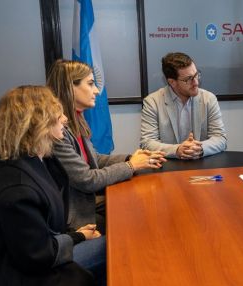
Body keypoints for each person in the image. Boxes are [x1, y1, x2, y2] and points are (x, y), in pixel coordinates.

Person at [0, 86, 101, 286]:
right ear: (37, 124)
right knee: (111, 250)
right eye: (58, 115)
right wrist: (78, 236)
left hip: (40, 259)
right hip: (26, 282)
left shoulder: (36, 160)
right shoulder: (17, 187)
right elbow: (37, 256)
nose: (65, 118)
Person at [47, 59, 167, 233]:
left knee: (143, 204)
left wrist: (131, 158)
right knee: (134, 224)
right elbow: (87, 180)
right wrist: (131, 166)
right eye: (90, 84)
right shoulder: (58, 132)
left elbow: (95, 159)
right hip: (75, 216)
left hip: (87, 203)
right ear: (69, 88)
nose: (96, 90)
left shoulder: (76, 119)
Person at [141, 52, 227, 159]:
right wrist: (177, 150)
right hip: (167, 167)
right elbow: (147, 143)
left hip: (202, 165)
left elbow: (220, 138)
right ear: (172, 82)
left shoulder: (209, 99)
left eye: (196, 75)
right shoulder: (152, 102)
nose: (196, 82)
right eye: (188, 79)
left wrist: (200, 148)